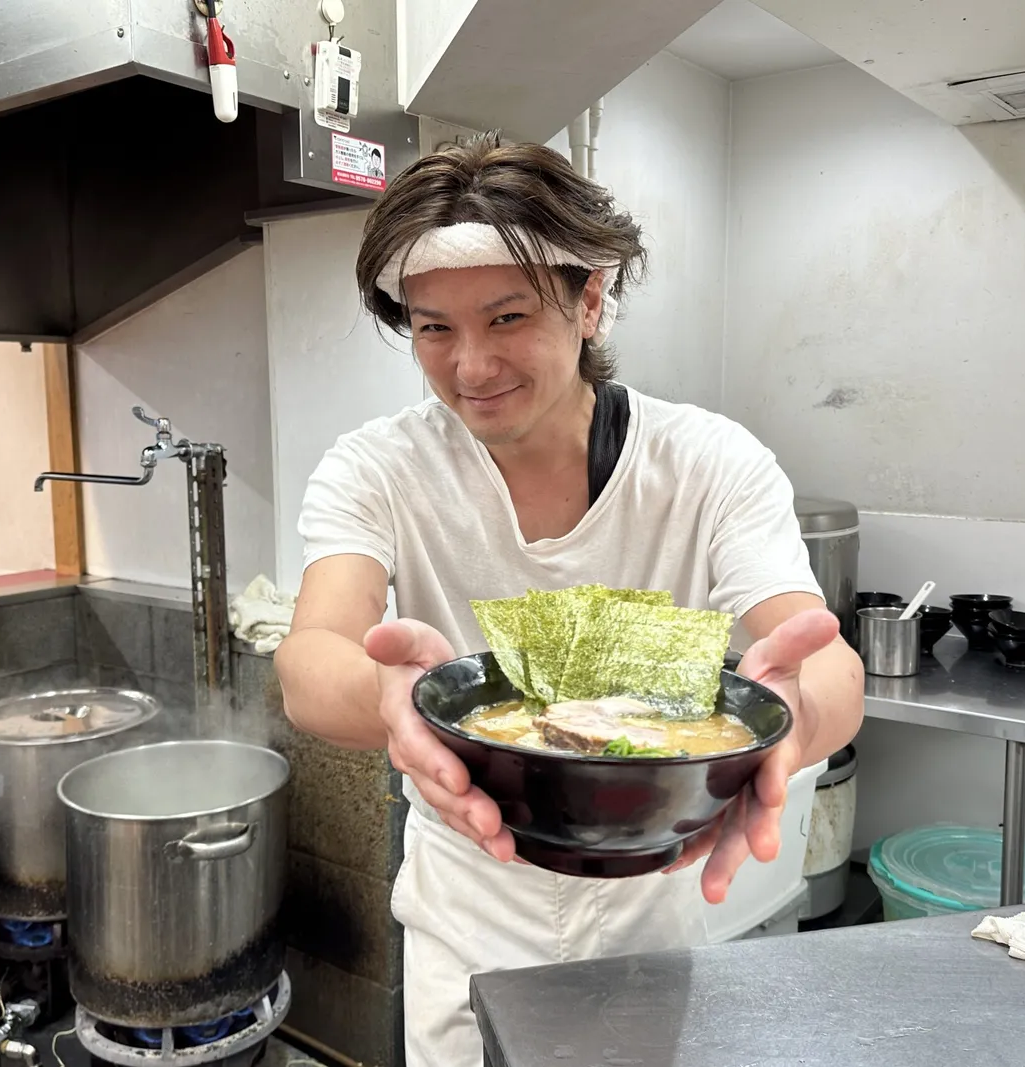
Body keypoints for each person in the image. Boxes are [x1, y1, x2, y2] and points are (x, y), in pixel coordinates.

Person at [273, 132, 865, 1066]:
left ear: (591, 301)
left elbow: (823, 659)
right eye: (434, 327)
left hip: (653, 910)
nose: (470, 365)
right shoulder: (378, 468)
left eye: (507, 318)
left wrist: (789, 725)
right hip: (465, 902)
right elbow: (311, 661)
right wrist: (395, 703)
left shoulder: (707, 464)